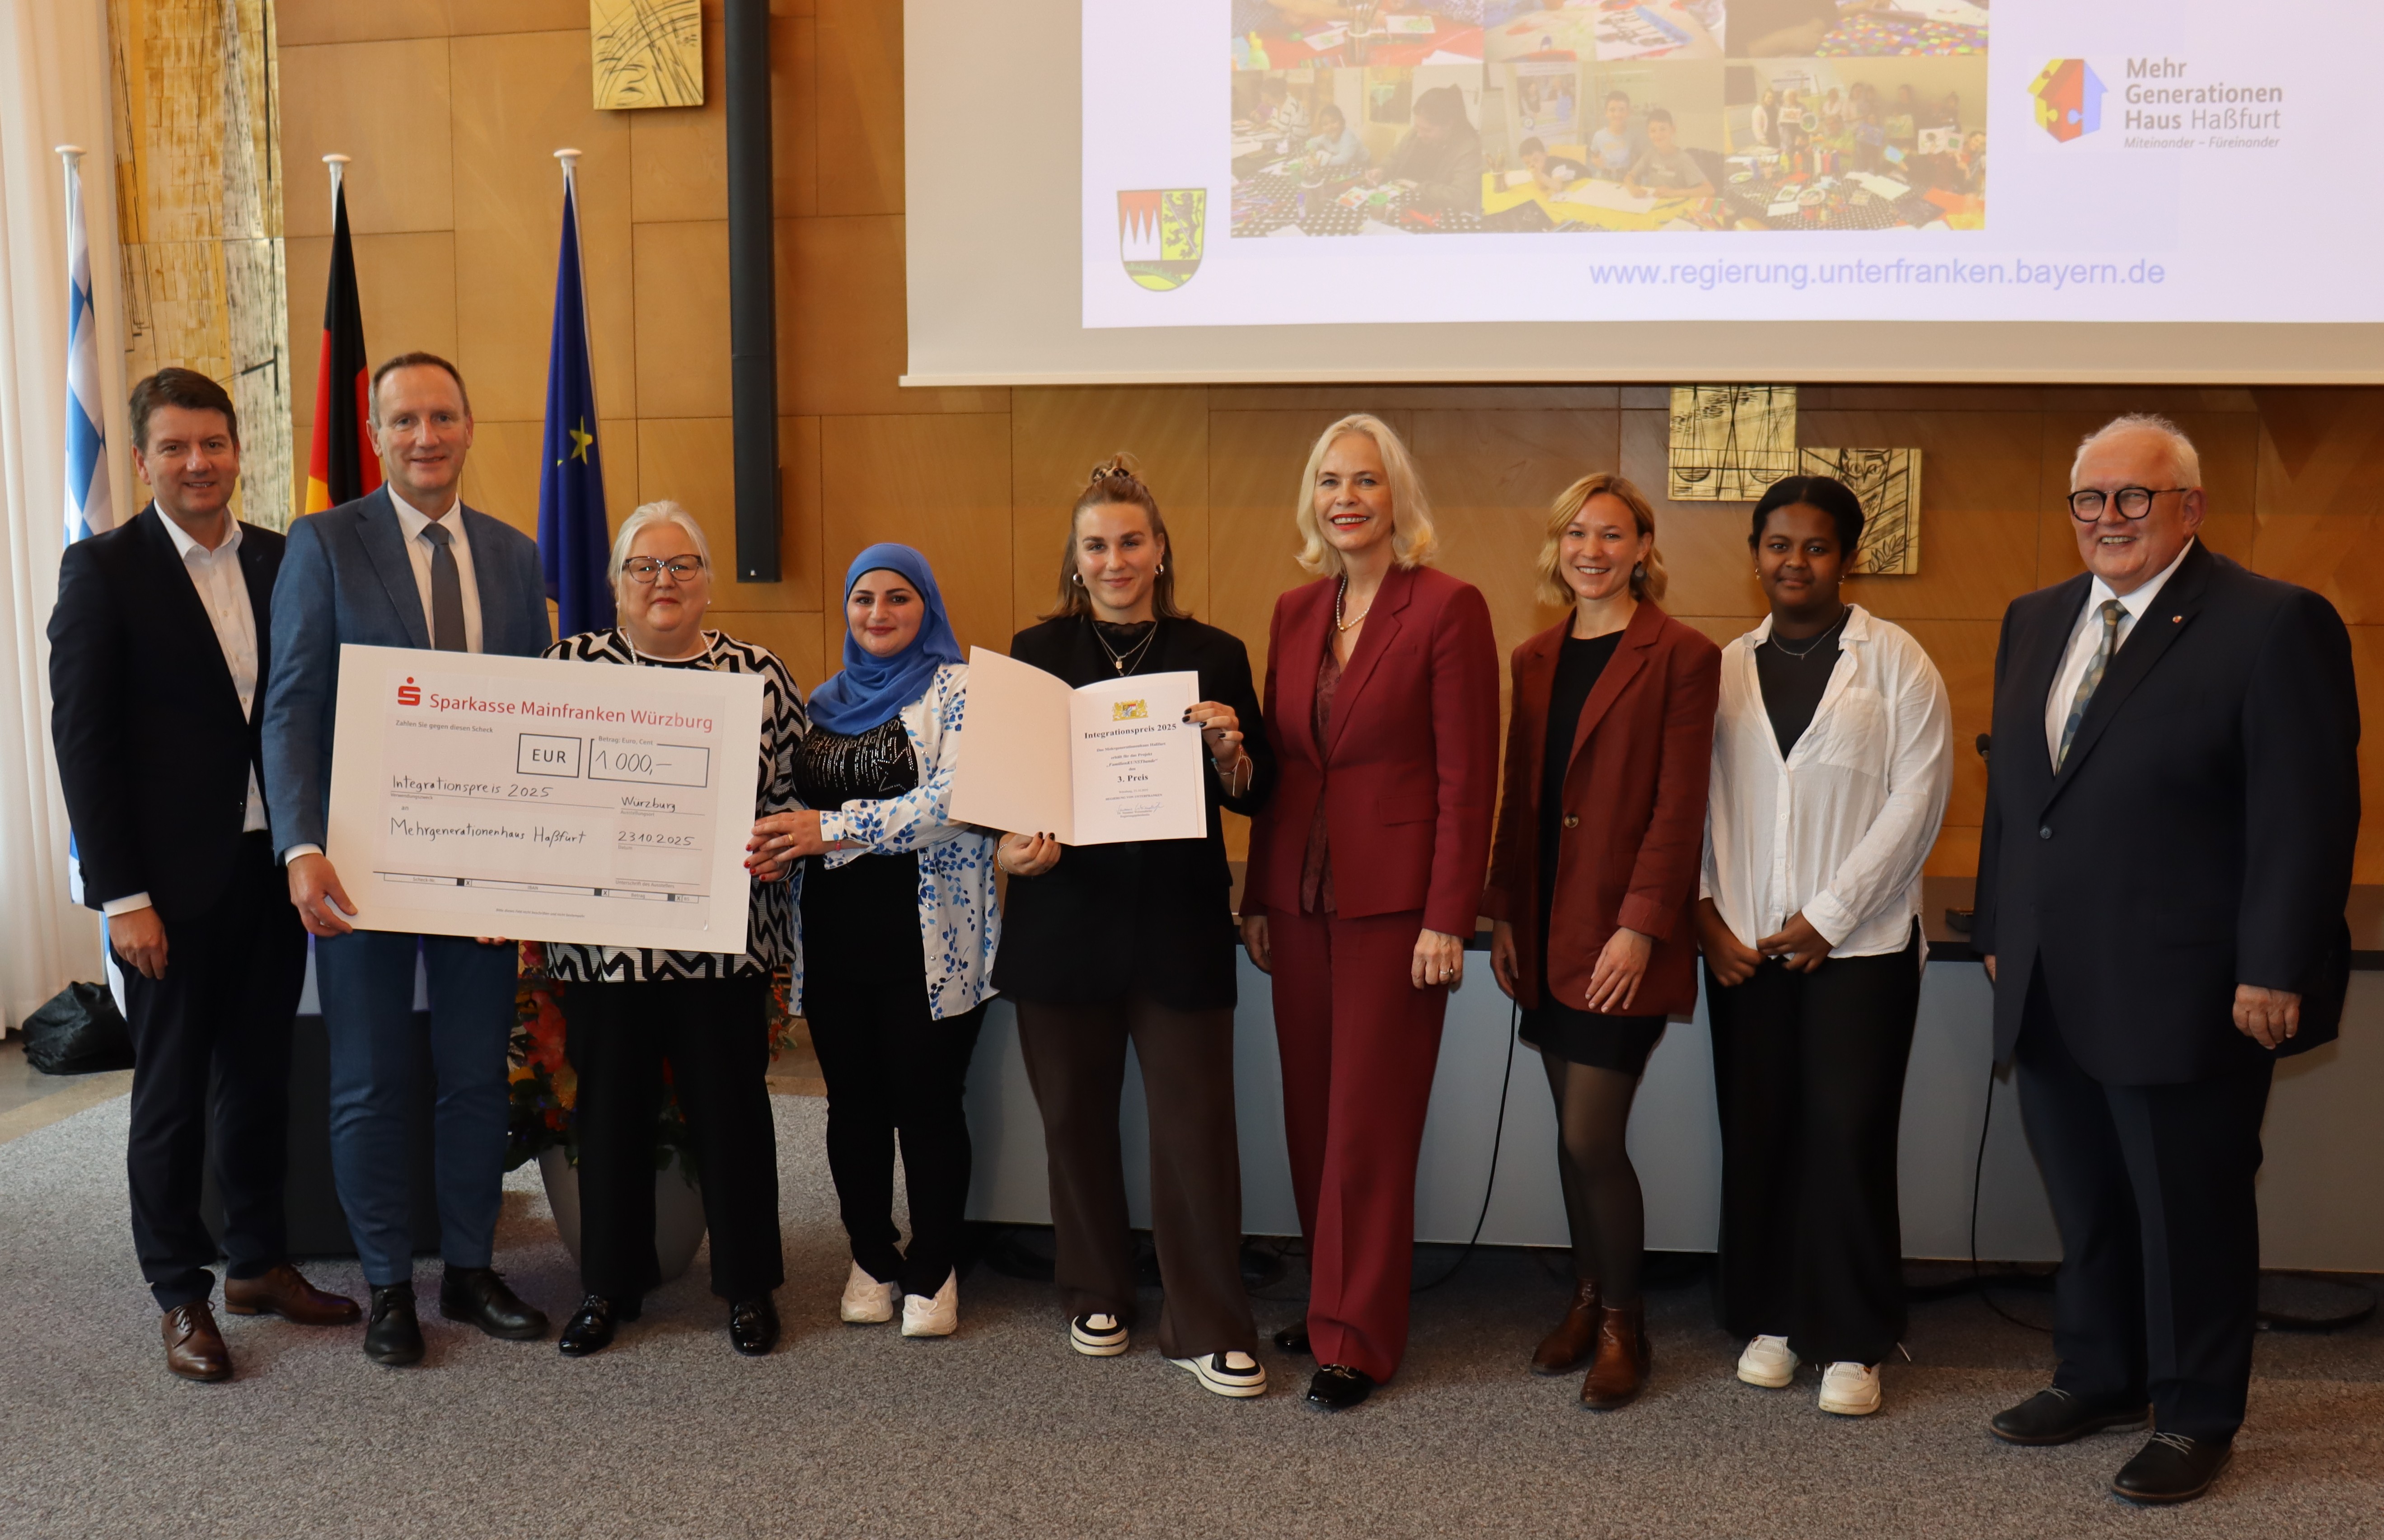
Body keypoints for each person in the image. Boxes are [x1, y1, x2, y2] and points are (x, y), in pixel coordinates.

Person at [1974, 415, 2359, 1504]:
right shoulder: (2033, 616)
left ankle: (2193, 1415)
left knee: (2188, 1210)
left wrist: (2274, 964)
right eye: (2088, 498)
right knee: (2087, 1198)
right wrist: (1998, 929)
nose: (2106, 518)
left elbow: (2303, 813)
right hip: (2047, 977)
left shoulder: (2272, 621)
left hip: (2187, 985)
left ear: (2188, 507)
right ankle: (2098, 1374)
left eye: (2132, 497)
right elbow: (2018, 794)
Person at [47, 368, 358, 1383]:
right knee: (173, 1094)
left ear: (237, 450)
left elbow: (313, 704)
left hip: (273, 871)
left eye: (212, 444)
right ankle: (179, 1288)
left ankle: (257, 1263)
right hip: (166, 892)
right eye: (175, 447)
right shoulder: (102, 570)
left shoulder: (284, 557)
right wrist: (122, 896)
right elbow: (84, 745)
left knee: (260, 1079)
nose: (197, 463)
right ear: (143, 460)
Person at [262, 352, 553, 1366]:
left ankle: (469, 1270)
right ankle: (388, 1283)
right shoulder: (324, 543)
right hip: (361, 864)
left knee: (474, 1078)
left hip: (481, 868)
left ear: (469, 427)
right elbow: (291, 705)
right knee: (370, 1081)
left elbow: (536, 718)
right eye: (404, 421)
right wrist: (302, 845)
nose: (425, 437)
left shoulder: (514, 556)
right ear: (376, 435)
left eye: (442, 417)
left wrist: (532, 866)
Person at [993, 461, 1278, 1399]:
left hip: (1176, 925)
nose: (1114, 560)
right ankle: (1094, 1287)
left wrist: (1230, 751)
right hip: (1062, 920)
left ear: (1160, 551)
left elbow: (1258, 790)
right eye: (1096, 545)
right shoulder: (1034, 652)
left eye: (1130, 542)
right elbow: (1003, 795)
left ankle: (1208, 1321)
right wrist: (1009, 848)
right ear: (1075, 560)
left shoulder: (1215, 652)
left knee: (1195, 1131)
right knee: (1072, 1121)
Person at [1240, 414, 1499, 1411]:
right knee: (1311, 1114)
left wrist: (1447, 915)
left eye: (1365, 481)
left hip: (1397, 910)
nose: (1345, 498)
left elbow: (1468, 776)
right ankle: (1328, 1302)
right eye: (1329, 481)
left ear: (1398, 498)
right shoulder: (1294, 610)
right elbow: (1281, 768)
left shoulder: (1446, 607)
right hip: (1299, 901)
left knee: (1367, 1124)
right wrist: (1259, 894)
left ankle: (1360, 1335)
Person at [1696, 477, 1952, 1418]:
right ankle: (1770, 1317)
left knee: (1845, 1136)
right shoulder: (1723, 668)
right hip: (1742, 947)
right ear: (1755, 553)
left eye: (1813, 545)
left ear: (1846, 556)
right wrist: (1703, 916)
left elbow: (1918, 801)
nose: (1793, 561)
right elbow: (1688, 802)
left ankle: (1851, 1336)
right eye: (1776, 543)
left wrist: (1831, 915)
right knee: (1759, 1130)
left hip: (1861, 949)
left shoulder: (1896, 662)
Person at [541, 502, 805, 1360]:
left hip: (721, 944)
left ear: (708, 582)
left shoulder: (758, 674)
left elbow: (790, 798)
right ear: (616, 585)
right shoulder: (571, 669)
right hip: (605, 948)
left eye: (682, 564)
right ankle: (606, 1286)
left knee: (732, 1114)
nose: (664, 581)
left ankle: (749, 1285)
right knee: (608, 1113)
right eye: (644, 567)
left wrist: (777, 847)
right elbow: (537, 794)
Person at [1485, 474, 1719, 1410]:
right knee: (1569, 1137)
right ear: (1558, 545)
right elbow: (1519, 795)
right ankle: (1586, 1298)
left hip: (1620, 934)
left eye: (1612, 534)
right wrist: (1504, 911)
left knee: (1591, 1135)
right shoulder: (1535, 656)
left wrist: (1639, 925)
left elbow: (1680, 805)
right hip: (1545, 926)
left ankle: (1625, 1323)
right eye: (1576, 533)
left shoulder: (1682, 654)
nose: (1592, 550)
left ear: (1643, 547)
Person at [748, 545, 997, 1339]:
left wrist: (834, 827)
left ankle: (934, 1264)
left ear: (927, 606)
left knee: (927, 1102)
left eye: (898, 597)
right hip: (834, 935)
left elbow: (955, 800)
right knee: (852, 1103)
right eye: (863, 598)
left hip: (929, 939)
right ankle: (871, 1255)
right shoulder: (823, 701)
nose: (878, 613)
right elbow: (786, 805)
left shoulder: (960, 689)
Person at [1368, 84, 1482, 211]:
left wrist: (1418, 188)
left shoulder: (1468, 149)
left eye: (1427, 130)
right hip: (1403, 201)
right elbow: (1395, 157)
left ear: (1449, 124)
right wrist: (1382, 170)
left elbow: (1461, 197)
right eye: (1417, 127)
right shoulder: (1417, 134)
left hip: (1435, 210)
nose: (1419, 134)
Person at [1624, 108, 1714, 199]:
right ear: (1648, 133)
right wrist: (1632, 188)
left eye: (1663, 129)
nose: (1658, 135)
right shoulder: (1650, 153)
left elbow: (1709, 190)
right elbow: (1629, 177)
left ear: (1673, 130)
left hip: (1674, 203)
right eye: (1653, 131)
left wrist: (1673, 193)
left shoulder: (1684, 159)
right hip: (1651, 202)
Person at [1587, 91, 1645, 181]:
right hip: (1604, 179)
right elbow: (1593, 156)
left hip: (1626, 180)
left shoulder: (1634, 136)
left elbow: (1638, 162)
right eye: (1612, 110)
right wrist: (1595, 161)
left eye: (1622, 110)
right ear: (1606, 112)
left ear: (1628, 112)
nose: (1617, 114)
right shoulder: (1599, 136)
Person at [1303, 103, 1367, 170]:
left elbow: (1344, 159)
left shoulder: (1348, 137)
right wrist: (1312, 151)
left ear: (1342, 122)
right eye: (1325, 124)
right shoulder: (1326, 137)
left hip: (1362, 166)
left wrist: (1321, 162)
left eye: (1334, 122)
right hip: (1346, 166)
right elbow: (1312, 141)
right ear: (1321, 127)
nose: (1330, 127)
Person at [1518, 136, 1588, 196]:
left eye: (1536, 160)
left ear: (1546, 154)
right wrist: (1537, 176)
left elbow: (1558, 188)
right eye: (1528, 163)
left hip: (1585, 180)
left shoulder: (1555, 164)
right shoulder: (1541, 167)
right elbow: (1542, 187)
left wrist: (1541, 176)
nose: (1533, 165)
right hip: (1571, 183)